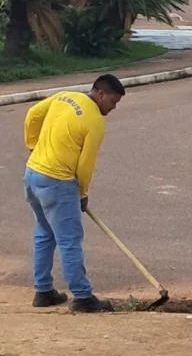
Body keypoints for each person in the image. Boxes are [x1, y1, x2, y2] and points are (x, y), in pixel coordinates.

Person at [23, 74, 125, 313]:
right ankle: (82, 297)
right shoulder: (95, 122)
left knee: (44, 232)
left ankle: (43, 291)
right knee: (69, 240)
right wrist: (82, 193)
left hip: (32, 174)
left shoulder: (64, 96)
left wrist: (32, 145)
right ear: (100, 94)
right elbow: (85, 165)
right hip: (58, 181)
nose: (113, 107)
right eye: (112, 102)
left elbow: (32, 115)